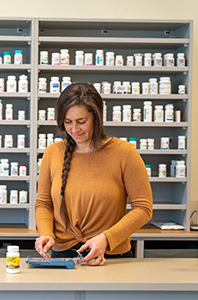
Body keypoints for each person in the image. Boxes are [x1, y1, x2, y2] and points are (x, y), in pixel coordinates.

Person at [35, 82, 152, 266]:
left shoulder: (124, 153)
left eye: (81, 122)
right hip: (60, 256)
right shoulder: (53, 153)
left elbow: (143, 208)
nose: (74, 129)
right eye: (68, 122)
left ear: (96, 118)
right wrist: (46, 233)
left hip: (111, 256)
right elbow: (44, 203)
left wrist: (107, 238)